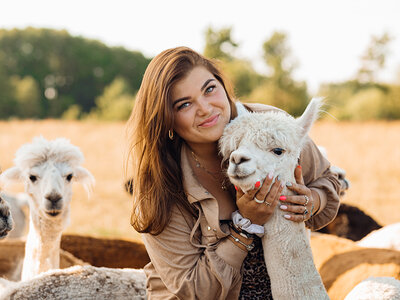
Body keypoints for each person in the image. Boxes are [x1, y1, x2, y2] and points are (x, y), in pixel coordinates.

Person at [125, 46, 340, 299]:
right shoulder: (159, 185)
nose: (205, 108)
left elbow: (326, 182)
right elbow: (193, 290)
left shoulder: (273, 126)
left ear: (223, 86)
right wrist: (245, 226)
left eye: (209, 89)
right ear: (167, 118)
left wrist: (309, 202)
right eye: (184, 104)